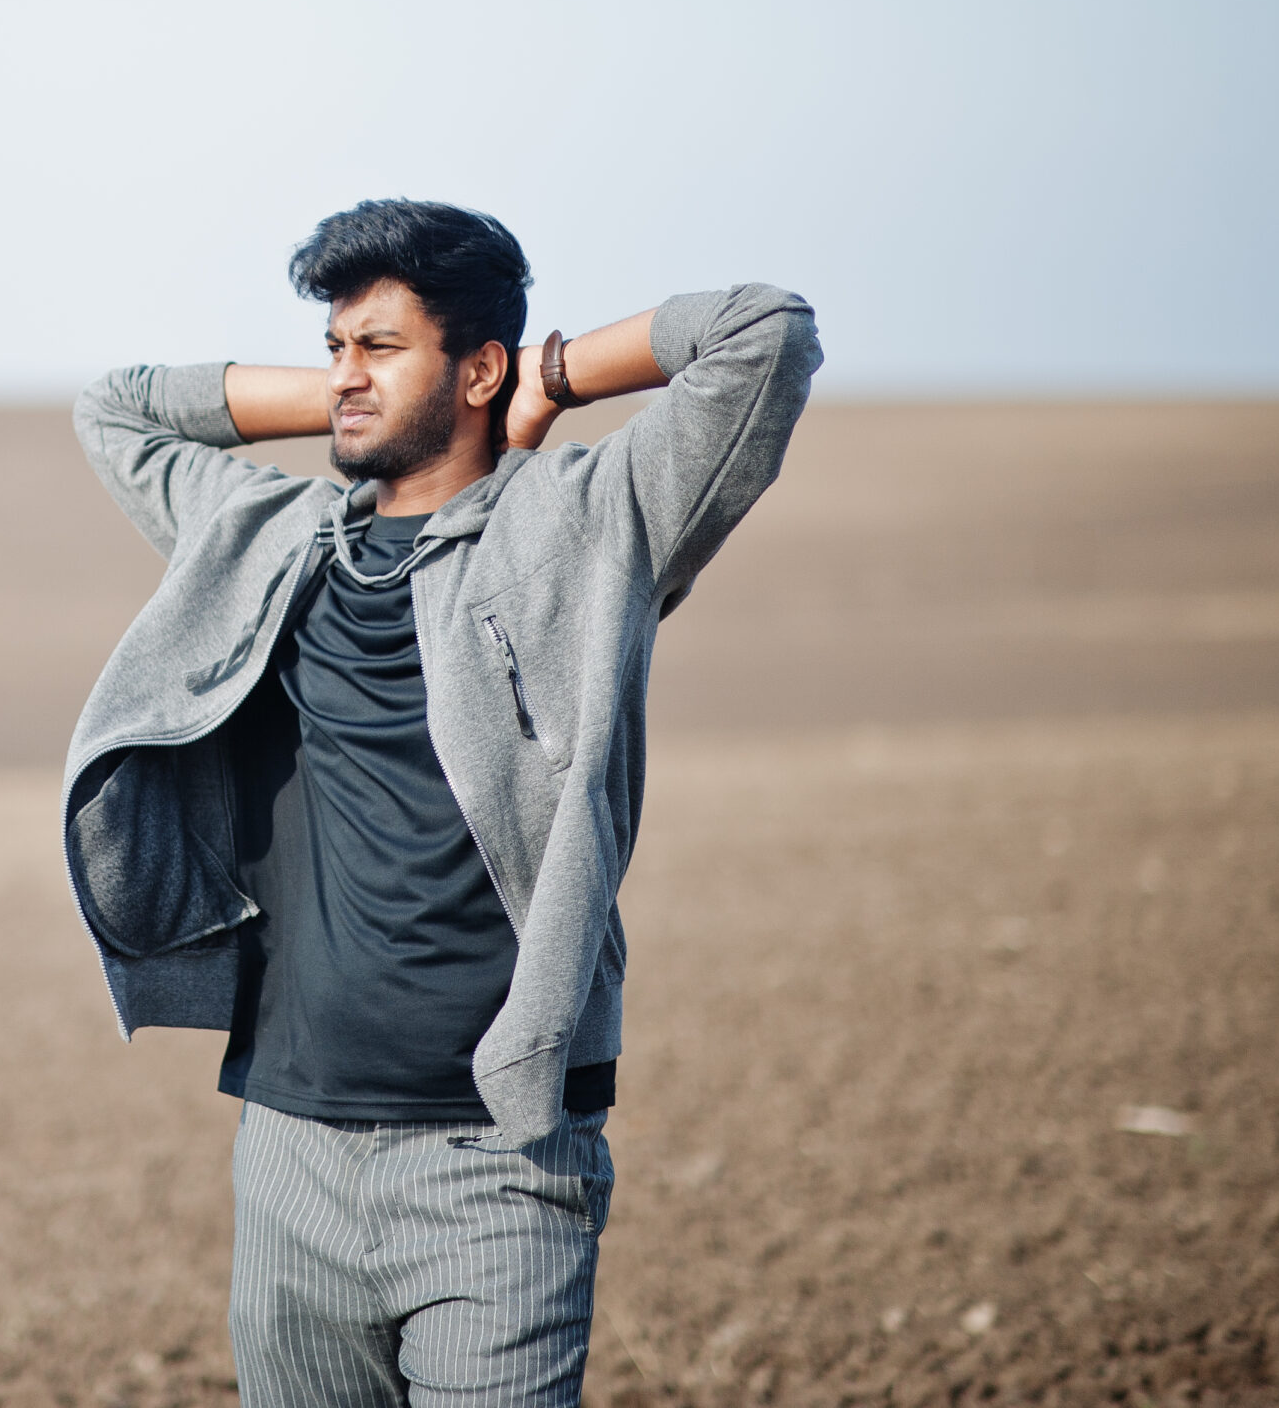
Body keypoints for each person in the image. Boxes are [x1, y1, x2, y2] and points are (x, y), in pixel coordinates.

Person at [62, 199, 820, 1406]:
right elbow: (113, 404)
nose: (343, 376)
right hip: (288, 1147)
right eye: (332, 349)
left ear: (476, 365)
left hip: (493, 1161)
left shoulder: (578, 525)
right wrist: (361, 398)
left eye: (377, 346)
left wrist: (544, 379)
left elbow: (762, 332)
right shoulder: (270, 535)